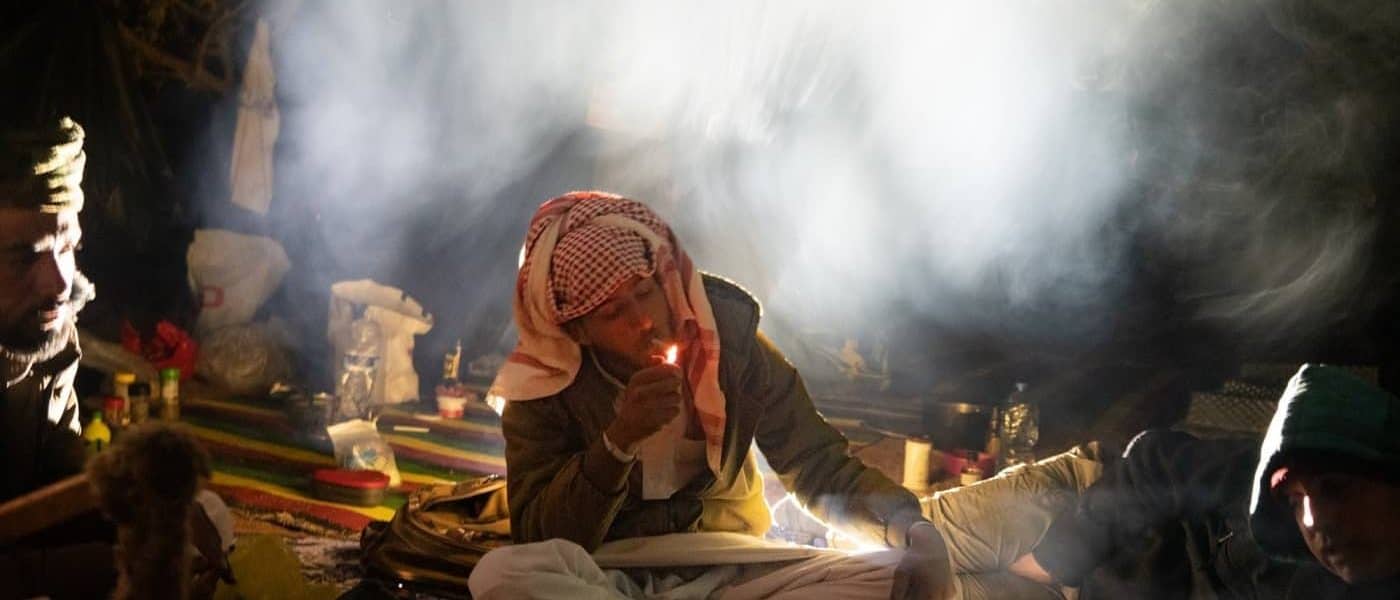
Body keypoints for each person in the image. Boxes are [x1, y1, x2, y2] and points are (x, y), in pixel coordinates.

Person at [469, 191, 954, 599]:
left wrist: (904, 524)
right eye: (614, 312)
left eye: (645, 292)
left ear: (666, 280)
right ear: (579, 331)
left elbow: (816, 463)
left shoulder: (732, 348)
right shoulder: (544, 385)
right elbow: (538, 535)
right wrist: (618, 443)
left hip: (733, 565)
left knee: (888, 573)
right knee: (499, 575)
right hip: (608, 572)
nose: (643, 319)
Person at [0, 115, 233, 600]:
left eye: (68, 246)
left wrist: (143, 506)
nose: (58, 282)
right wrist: (102, 566)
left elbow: (55, 474)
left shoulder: (42, 325)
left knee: (203, 509)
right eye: (24, 257)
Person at [1009, 364, 1400, 599]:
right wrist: (1055, 559)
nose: (1312, 522)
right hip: (1096, 523)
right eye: (1295, 500)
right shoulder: (1262, 484)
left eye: (1335, 489)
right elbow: (1154, 458)